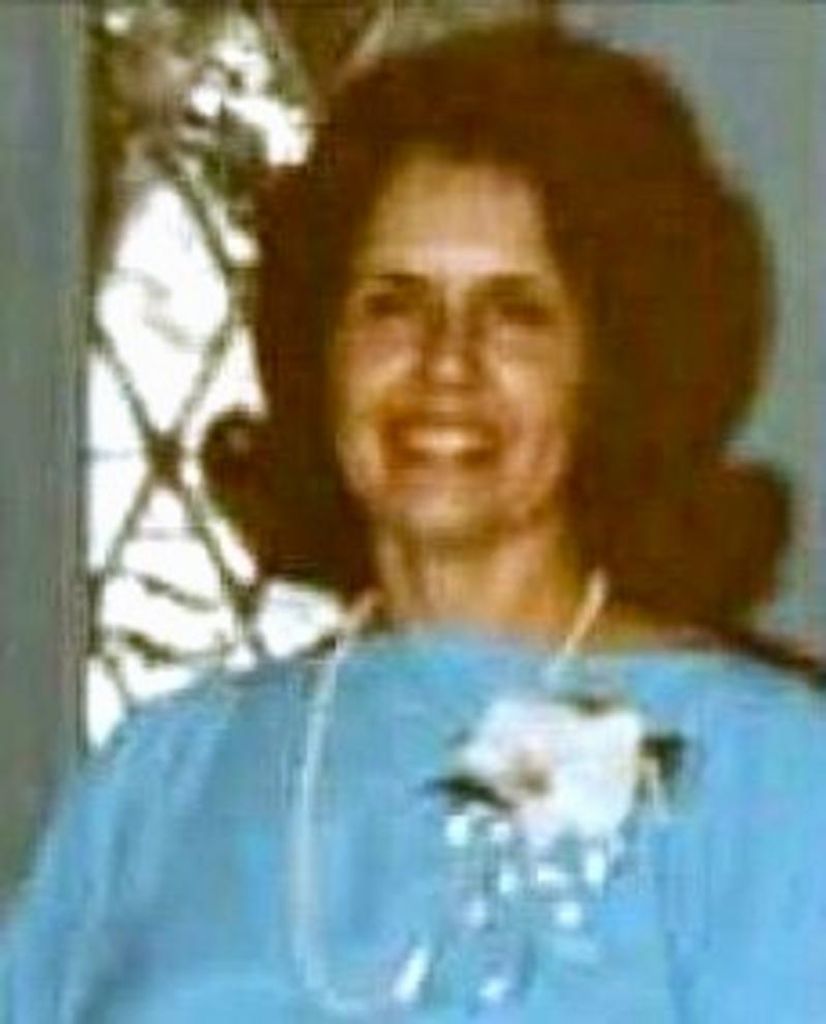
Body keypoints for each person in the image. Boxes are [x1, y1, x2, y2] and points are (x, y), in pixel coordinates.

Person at [3, 20, 825, 1023]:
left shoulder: (771, 773)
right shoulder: (166, 773)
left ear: (614, 368)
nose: (445, 362)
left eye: (515, 310)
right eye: (392, 304)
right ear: (318, 351)